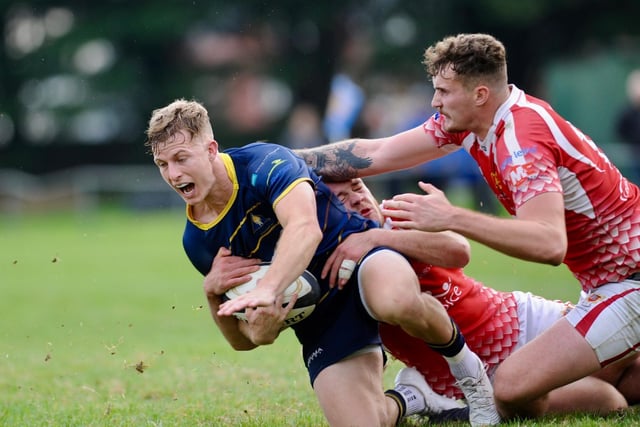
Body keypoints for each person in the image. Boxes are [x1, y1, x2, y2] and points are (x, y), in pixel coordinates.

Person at [295, 33, 640, 420]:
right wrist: (274, 163)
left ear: (479, 94)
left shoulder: (520, 140)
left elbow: (548, 244)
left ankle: (431, 399)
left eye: (443, 91)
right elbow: (377, 153)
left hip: (630, 282)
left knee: (511, 388)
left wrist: (451, 216)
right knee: (620, 375)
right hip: (608, 283)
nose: (434, 101)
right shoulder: (475, 125)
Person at [144, 98, 500, 426]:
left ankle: (470, 374)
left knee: (394, 299)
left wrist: (270, 289)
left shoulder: (264, 162)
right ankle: (414, 396)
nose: (173, 174)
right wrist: (229, 306)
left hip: (358, 257)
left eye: (181, 158)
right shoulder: (197, 241)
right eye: (162, 164)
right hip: (322, 317)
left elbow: (305, 228)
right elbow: (245, 341)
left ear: (210, 150)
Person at [323, 178, 633, 422]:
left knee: (622, 365)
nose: (358, 198)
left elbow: (458, 250)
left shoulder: (394, 214)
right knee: (609, 399)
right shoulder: (331, 267)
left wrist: (378, 237)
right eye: (342, 198)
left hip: (520, 321)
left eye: (358, 186)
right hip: (478, 382)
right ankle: (429, 399)